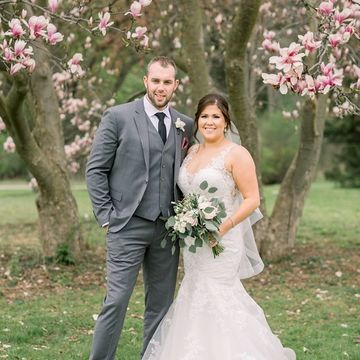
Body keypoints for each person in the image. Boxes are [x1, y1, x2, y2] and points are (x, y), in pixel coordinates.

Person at [142, 93, 296, 360]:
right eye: (204, 116)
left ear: (226, 122)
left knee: (219, 294)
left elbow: (252, 199)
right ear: (197, 120)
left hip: (222, 240)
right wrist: (186, 220)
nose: (209, 122)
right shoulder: (190, 152)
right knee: (194, 291)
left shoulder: (237, 154)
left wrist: (222, 228)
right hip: (193, 241)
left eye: (216, 117)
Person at [86, 56, 194, 360]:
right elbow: (95, 170)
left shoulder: (184, 123)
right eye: (156, 81)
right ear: (146, 81)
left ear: (175, 85)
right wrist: (107, 216)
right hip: (126, 225)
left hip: (167, 228)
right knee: (117, 300)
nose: (161, 87)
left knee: (160, 305)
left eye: (167, 82)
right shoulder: (117, 117)